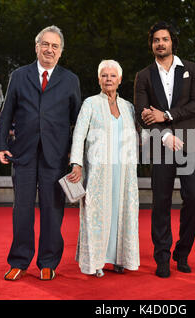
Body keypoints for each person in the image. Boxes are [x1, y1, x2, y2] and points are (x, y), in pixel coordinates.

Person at [0, 25, 81, 281]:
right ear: (37, 47)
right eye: (45, 44)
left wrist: (75, 157)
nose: (49, 49)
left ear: (61, 51)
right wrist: (0, 144)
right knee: (22, 209)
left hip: (57, 156)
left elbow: (78, 121)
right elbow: (6, 111)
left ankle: (48, 261)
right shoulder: (19, 76)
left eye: (55, 46)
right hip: (23, 153)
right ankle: (19, 260)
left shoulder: (70, 80)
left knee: (53, 210)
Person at [134, 21, 195, 278]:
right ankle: (162, 256)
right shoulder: (143, 76)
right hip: (159, 145)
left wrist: (165, 115)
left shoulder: (191, 69)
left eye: (164, 39)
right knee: (161, 202)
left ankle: (182, 253)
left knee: (193, 199)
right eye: (156, 40)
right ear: (152, 44)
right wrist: (164, 135)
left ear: (172, 42)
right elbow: (142, 115)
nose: (160, 44)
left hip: (190, 142)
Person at [68, 60, 139, 277]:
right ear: (99, 79)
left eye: (112, 76)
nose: (108, 79)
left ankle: (120, 259)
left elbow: (134, 137)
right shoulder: (90, 103)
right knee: (96, 214)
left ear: (120, 79)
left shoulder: (128, 107)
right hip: (98, 171)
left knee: (123, 213)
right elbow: (79, 134)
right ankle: (96, 261)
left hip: (124, 172)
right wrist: (76, 163)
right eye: (104, 76)